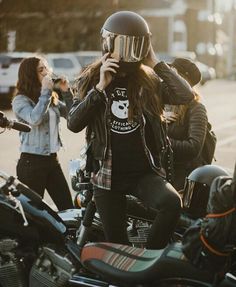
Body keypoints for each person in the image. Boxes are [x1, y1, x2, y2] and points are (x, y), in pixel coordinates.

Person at [67, 11, 195, 249]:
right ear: (108, 43)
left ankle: (148, 258)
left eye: (135, 45)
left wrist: (156, 63)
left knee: (172, 203)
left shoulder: (148, 81)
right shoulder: (90, 78)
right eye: (122, 44)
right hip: (106, 179)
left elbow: (185, 95)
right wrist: (100, 88)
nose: (127, 52)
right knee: (118, 244)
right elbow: (74, 123)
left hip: (143, 174)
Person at [12, 56, 73, 211]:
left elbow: (73, 116)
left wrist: (67, 92)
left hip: (53, 161)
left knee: (68, 208)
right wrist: (46, 91)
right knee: (35, 216)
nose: (46, 73)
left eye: (47, 68)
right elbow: (35, 119)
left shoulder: (51, 99)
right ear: (31, 75)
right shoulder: (20, 100)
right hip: (32, 164)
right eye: (41, 70)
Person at [163, 58, 208, 191]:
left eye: (172, 74)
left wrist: (162, 141)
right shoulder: (162, 101)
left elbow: (193, 147)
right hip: (159, 173)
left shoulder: (196, 108)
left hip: (181, 179)